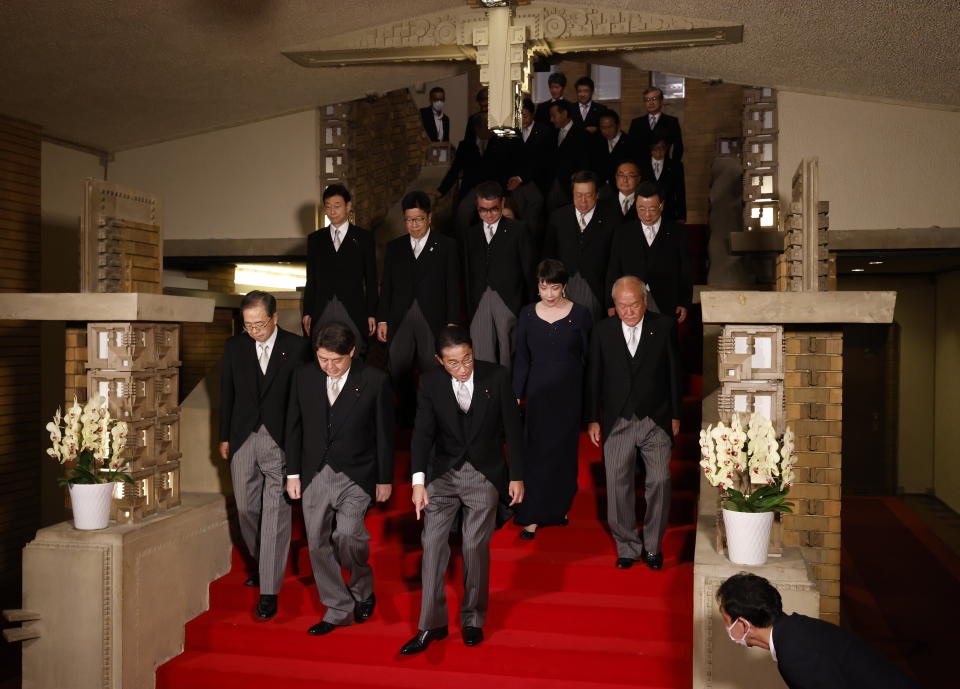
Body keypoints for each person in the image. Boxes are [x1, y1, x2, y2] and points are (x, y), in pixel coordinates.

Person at [400, 326, 524, 655]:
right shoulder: (431, 382)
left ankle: (472, 619)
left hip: (483, 473)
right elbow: (422, 434)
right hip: (442, 474)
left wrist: (517, 476)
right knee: (432, 546)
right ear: (440, 361)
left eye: (467, 358)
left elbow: (513, 427)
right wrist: (417, 482)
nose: (463, 368)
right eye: (454, 363)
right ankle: (431, 625)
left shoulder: (496, 376)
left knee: (473, 546)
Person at [284, 322, 395, 636]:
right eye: (323, 359)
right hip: (314, 472)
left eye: (337, 360)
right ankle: (338, 608)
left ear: (352, 353)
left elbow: (385, 434)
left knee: (348, 535)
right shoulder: (304, 376)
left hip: (356, 473)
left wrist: (384, 478)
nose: (329, 367)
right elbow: (293, 427)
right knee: (317, 544)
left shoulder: (374, 380)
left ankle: (362, 585)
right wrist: (293, 473)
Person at [219, 290, 310, 620]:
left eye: (259, 324)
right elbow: (226, 392)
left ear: (273, 318)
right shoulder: (234, 347)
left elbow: (302, 402)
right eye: (248, 325)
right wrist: (225, 436)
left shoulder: (298, 347)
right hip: (243, 436)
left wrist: (298, 445)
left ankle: (269, 589)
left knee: (275, 513)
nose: (254, 330)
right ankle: (264, 561)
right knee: (245, 509)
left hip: (280, 440)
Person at [586, 276, 680, 571]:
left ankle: (652, 547)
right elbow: (593, 378)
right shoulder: (602, 331)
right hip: (618, 418)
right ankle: (627, 546)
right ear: (614, 305)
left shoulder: (663, 326)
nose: (628, 311)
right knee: (617, 483)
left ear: (645, 300)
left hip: (656, 417)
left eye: (634, 304)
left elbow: (675, 374)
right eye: (622, 306)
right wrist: (592, 418)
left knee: (660, 481)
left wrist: (675, 414)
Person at [717, 573, 923, 689]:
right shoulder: (795, 629)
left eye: (727, 621)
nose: (727, 628)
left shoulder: (794, 655)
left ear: (743, 625)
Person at [512, 259, 592, 538]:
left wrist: (589, 400)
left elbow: (588, 358)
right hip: (537, 393)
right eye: (543, 287)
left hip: (569, 394)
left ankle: (558, 508)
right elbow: (521, 356)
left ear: (564, 287)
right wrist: (516, 393)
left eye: (554, 288)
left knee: (562, 452)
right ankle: (533, 514)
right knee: (535, 452)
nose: (548, 294)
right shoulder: (527, 314)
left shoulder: (580, 314)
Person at [377, 191, 460, 380]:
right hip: (400, 316)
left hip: (432, 316)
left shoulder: (447, 246)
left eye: (419, 219)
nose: (413, 225)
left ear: (429, 217)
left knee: (433, 368)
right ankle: (403, 410)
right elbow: (387, 285)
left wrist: (452, 321)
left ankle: (432, 409)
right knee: (396, 366)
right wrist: (382, 319)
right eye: (409, 220)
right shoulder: (395, 247)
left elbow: (452, 287)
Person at [461, 181, 534, 369]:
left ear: (502, 203)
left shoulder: (519, 230)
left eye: (493, 209)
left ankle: (508, 393)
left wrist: (531, 306)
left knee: (508, 352)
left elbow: (528, 270)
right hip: (480, 300)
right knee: (481, 352)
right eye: (483, 210)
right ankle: (487, 393)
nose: (488, 215)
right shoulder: (471, 234)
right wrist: (470, 306)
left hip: (509, 300)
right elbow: (468, 273)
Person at [302, 184, 378, 356]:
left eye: (337, 206)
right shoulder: (315, 239)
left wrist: (372, 313)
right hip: (322, 307)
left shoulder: (363, 238)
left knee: (355, 352)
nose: (332, 211)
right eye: (328, 206)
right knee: (320, 353)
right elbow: (311, 279)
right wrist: (307, 311)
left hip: (353, 307)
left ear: (348, 206)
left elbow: (371, 279)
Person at [605, 180, 692, 324]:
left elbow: (685, 270)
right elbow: (613, 269)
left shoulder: (678, 232)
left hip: (667, 301)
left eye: (652, 209)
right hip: (631, 302)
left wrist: (684, 302)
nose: (647, 215)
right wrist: (610, 302)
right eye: (641, 209)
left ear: (661, 206)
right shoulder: (623, 233)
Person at [543, 169, 616, 321]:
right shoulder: (558, 217)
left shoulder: (612, 219)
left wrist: (610, 299)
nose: (583, 201)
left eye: (588, 195)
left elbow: (614, 262)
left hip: (596, 289)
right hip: (563, 288)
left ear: (597, 194)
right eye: (578, 195)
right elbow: (549, 256)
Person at [545, 101, 592, 212]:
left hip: (571, 187)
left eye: (553, 116)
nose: (551, 120)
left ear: (564, 114)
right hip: (552, 185)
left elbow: (586, 162)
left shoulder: (582, 134)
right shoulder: (552, 133)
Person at [627, 86, 684, 162]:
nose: (650, 103)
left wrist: (673, 165)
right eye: (647, 100)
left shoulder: (671, 122)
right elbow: (630, 147)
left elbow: (678, 147)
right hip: (642, 167)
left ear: (661, 101)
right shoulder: (636, 123)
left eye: (654, 99)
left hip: (664, 166)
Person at [640, 134, 687, 222]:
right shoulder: (642, 166)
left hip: (669, 212)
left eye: (661, 148)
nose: (658, 152)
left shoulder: (676, 166)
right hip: (647, 213)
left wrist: (681, 216)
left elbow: (680, 191)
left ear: (667, 148)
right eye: (655, 149)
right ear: (650, 148)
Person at [592, 110, 633, 190]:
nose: (606, 131)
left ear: (618, 125)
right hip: (601, 189)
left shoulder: (629, 143)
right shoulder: (597, 142)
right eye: (603, 128)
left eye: (610, 127)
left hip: (622, 189)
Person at [598, 160, 642, 224]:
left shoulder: (645, 204)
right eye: (621, 175)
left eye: (630, 175)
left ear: (638, 179)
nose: (625, 180)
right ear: (616, 177)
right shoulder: (603, 202)